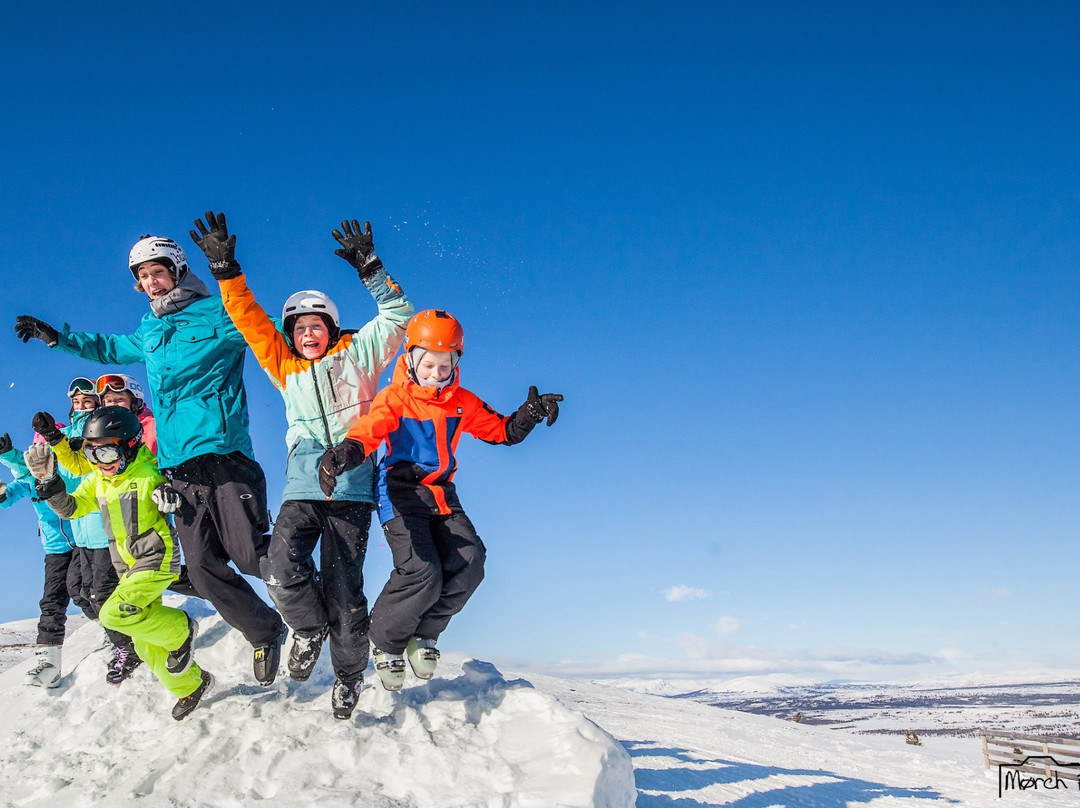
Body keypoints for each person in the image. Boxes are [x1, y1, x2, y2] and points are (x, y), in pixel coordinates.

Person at [14, 225, 286, 685]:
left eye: (157, 272)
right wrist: (58, 338)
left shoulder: (217, 313)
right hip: (177, 464)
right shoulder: (150, 329)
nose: (150, 282)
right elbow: (108, 348)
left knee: (248, 553)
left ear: (177, 270)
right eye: (142, 277)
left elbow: (268, 328)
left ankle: (315, 612)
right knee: (201, 567)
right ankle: (265, 631)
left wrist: (325, 333)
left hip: (223, 451)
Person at [190, 212, 412, 719]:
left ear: (331, 328)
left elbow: (398, 315)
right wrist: (226, 271)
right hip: (303, 485)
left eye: (316, 325)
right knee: (280, 567)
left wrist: (371, 268)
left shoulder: (358, 354)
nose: (307, 333)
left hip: (351, 487)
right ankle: (307, 631)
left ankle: (349, 676)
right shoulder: (283, 365)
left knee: (345, 591)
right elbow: (249, 319)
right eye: (299, 327)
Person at [318, 309, 563, 691]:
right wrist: (343, 454)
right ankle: (384, 639)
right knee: (423, 570)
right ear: (411, 360)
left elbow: (501, 431)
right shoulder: (395, 399)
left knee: (471, 562)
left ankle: (425, 632)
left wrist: (529, 414)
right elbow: (368, 432)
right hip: (399, 491)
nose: (436, 373)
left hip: (441, 495)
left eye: (444, 365)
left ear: (455, 363)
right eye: (428, 364)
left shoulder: (461, 402)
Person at [24, 406, 212, 719]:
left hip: (156, 557)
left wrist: (168, 492)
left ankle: (181, 629)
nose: (101, 463)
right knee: (144, 642)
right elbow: (70, 508)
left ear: (130, 445)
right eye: (92, 454)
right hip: (128, 567)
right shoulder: (99, 480)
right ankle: (191, 685)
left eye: (107, 453)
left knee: (112, 614)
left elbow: (169, 483)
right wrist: (48, 482)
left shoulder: (147, 472)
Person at [22, 378, 145, 685]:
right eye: (76, 402)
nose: (82, 406)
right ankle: (117, 631)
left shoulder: (102, 433)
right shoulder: (71, 439)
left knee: (102, 593)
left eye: (88, 401)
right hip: (81, 532)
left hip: (104, 529)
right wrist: (50, 444)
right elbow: (60, 471)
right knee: (78, 591)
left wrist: (58, 440)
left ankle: (128, 644)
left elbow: (82, 467)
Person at [0, 432, 78, 688]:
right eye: (37, 450)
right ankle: (49, 663)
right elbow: (10, 495)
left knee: (85, 591)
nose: (41, 455)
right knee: (51, 601)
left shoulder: (70, 472)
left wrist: (8, 455)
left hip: (83, 540)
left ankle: (118, 636)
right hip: (54, 547)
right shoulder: (29, 480)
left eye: (46, 450)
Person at [95, 373, 157, 455]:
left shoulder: (153, 427)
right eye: (109, 401)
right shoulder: (102, 431)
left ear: (135, 403)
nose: (113, 404)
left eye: (120, 399)